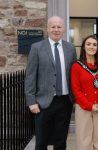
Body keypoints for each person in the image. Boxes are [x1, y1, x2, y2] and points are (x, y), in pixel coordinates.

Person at [25, 16, 77, 150]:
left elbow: (74, 75)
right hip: (43, 102)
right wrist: (31, 101)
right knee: (41, 141)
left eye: (59, 27)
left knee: (61, 141)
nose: (56, 29)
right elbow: (30, 76)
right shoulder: (36, 48)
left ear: (64, 29)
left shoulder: (70, 48)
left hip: (65, 101)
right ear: (47, 29)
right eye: (53, 27)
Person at [70, 35, 98, 150]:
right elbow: (76, 90)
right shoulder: (76, 66)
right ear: (83, 47)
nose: (91, 47)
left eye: (94, 44)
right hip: (83, 108)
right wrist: (89, 105)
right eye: (88, 44)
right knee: (84, 141)